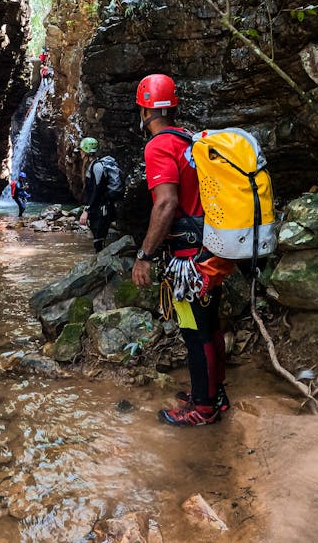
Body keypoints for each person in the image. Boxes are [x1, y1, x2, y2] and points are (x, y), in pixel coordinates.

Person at [132, 74, 234, 426]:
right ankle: (214, 395)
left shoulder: (158, 145)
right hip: (212, 248)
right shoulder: (189, 140)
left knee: (194, 330)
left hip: (190, 259)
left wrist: (144, 255)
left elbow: (165, 204)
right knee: (210, 326)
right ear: (172, 106)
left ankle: (203, 408)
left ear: (145, 110)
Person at [78, 137, 116, 253]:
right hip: (99, 209)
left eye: (81, 150)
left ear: (85, 151)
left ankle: (101, 267)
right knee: (98, 240)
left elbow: (97, 190)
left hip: (101, 209)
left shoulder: (97, 166)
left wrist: (86, 210)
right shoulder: (93, 166)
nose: (80, 153)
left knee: (99, 241)